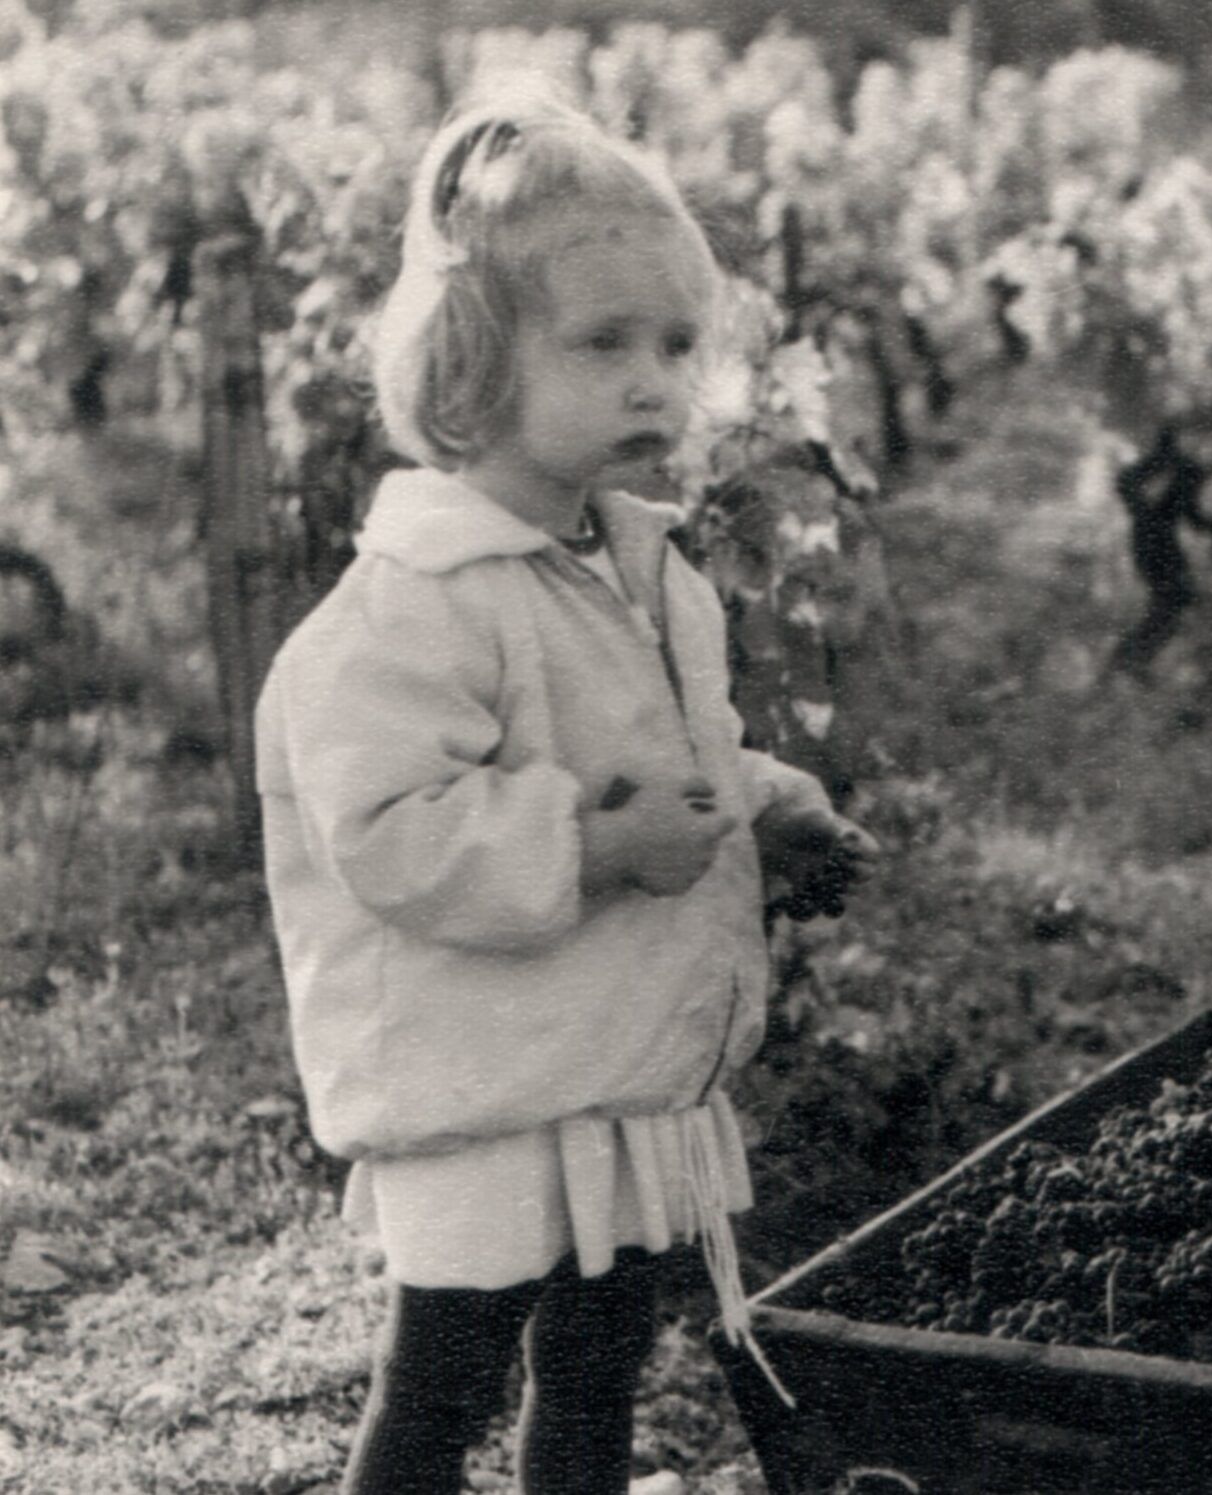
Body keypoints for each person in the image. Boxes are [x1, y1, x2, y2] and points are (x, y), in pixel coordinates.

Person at [255, 84, 877, 1495]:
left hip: (615, 1072)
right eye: (603, 344)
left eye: (675, 345)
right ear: (471, 372)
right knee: (447, 1377)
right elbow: (393, 835)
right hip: (495, 1083)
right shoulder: (411, 609)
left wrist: (760, 804)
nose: (657, 382)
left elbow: (669, 753)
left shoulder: (636, 561)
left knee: (597, 1361)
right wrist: (594, 848)